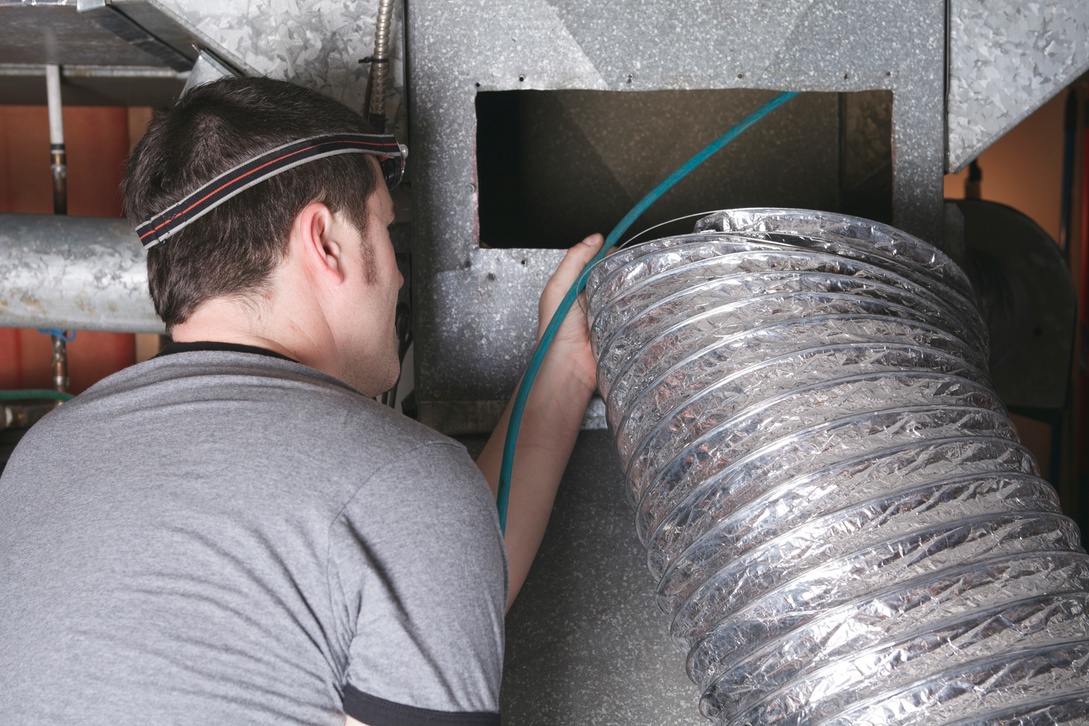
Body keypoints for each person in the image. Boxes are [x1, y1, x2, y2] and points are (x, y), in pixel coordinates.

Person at [0, 76, 603, 725]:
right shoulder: (394, 484)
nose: (399, 274)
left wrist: (562, 367)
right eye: (384, 230)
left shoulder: (40, 461)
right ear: (324, 242)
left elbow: (413, 598)